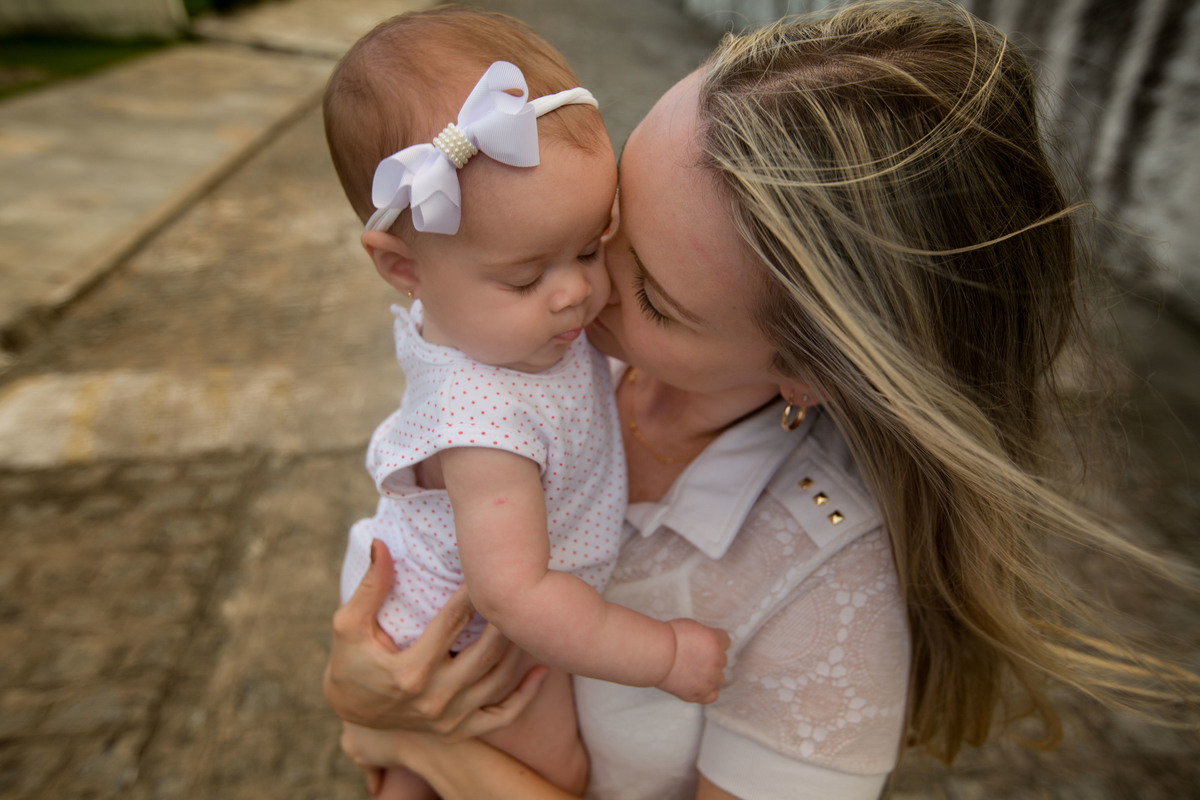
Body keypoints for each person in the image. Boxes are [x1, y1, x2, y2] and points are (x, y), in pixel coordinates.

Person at [325, 2, 1200, 799]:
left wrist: (410, 737)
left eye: (659, 300)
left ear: (810, 373)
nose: (589, 295)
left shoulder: (830, 602)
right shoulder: (533, 356)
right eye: (611, 226)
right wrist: (356, 675)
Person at [322, 7, 730, 799]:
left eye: (588, 246)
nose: (576, 292)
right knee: (558, 774)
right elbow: (517, 595)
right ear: (403, 270)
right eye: (524, 276)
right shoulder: (484, 426)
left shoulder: (490, 326)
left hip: (464, 616)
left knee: (418, 771)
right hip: (458, 635)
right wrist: (664, 654)